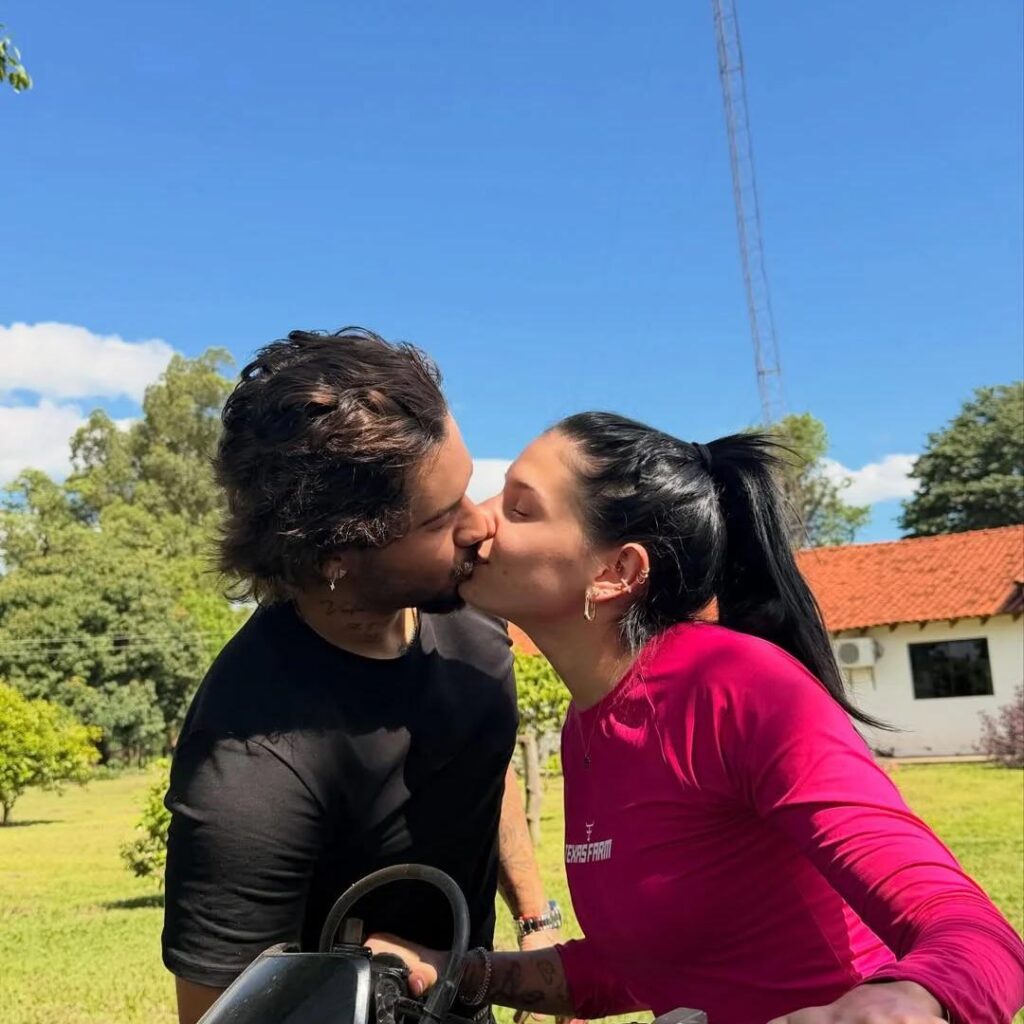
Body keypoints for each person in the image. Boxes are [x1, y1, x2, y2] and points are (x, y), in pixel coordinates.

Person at [367, 412, 1024, 1024]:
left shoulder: (736, 686)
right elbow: (642, 964)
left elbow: (975, 934)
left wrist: (901, 1002)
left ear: (616, 571)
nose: (477, 521)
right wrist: (455, 969)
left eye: (519, 508)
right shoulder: (587, 724)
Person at [162, 328, 564, 1024]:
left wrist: (534, 919)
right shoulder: (250, 772)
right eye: (441, 518)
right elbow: (217, 1013)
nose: (480, 527)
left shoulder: (472, 613)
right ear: (335, 556)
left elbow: (479, 761)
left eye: (468, 491)